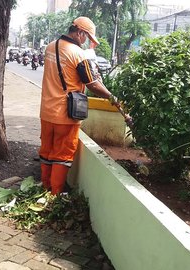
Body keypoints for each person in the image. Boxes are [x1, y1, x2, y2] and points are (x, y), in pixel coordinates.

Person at [39, 16, 121, 195]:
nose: (86, 42)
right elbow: (92, 84)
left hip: (46, 111)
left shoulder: (50, 46)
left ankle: (45, 187)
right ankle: (55, 194)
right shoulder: (78, 54)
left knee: (47, 150)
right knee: (62, 154)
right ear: (79, 33)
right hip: (65, 115)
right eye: (87, 38)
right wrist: (111, 96)